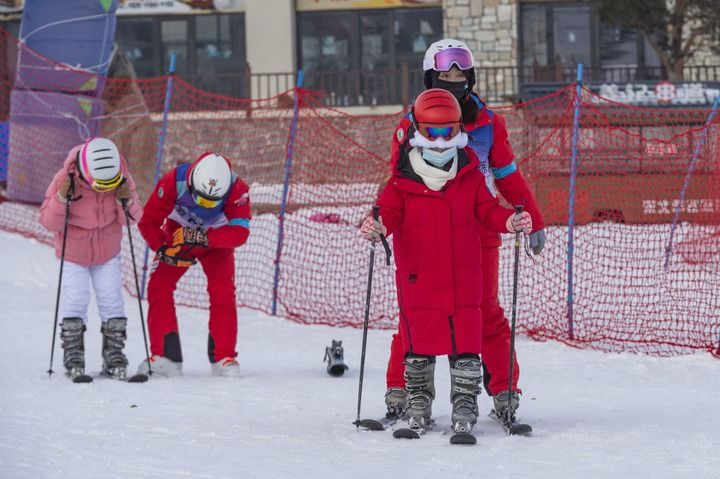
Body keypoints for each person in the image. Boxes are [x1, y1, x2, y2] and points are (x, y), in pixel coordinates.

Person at [382, 39, 546, 422]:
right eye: (445, 74)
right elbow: (396, 183)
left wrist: (532, 217)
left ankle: (503, 389)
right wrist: (384, 220)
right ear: (430, 77)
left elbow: (507, 174)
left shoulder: (488, 122)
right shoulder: (411, 124)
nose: (454, 80)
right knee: (415, 312)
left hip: (480, 226)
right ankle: (401, 388)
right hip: (423, 231)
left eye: (461, 74)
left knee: (483, 313)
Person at [360, 89, 533, 433]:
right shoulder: (401, 179)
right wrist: (377, 226)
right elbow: (389, 213)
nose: (440, 141)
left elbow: (487, 210)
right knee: (419, 338)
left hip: (463, 274)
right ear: (418, 132)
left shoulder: (468, 174)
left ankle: (465, 402)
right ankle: (418, 400)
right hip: (418, 275)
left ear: (459, 131)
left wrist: (509, 221)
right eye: (431, 132)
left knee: (465, 338)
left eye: (448, 132)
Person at [137, 152, 251, 377]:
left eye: (211, 202)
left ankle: (224, 357)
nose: (205, 205)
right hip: (178, 236)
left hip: (218, 242)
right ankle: (165, 357)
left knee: (223, 292)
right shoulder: (173, 181)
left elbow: (240, 232)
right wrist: (162, 247)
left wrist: (205, 237)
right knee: (159, 287)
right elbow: (148, 221)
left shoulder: (238, 189)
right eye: (200, 199)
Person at [39, 137, 143, 380]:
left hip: (107, 252)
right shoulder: (65, 178)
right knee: (75, 299)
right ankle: (73, 355)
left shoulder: (122, 177)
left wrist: (123, 201)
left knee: (112, 301)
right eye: (100, 185)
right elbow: (48, 222)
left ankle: (114, 355)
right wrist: (62, 198)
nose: (104, 189)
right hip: (73, 253)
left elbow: (131, 220)